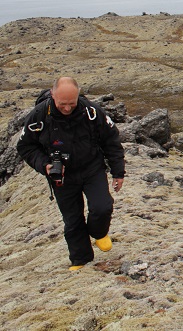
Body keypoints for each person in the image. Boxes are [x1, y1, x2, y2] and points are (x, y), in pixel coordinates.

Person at [16, 77, 125, 271]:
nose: (67, 108)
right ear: (52, 95)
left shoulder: (92, 112)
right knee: (73, 220)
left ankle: (98, 233)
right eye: (62, 104)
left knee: (102, 206)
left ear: (78, 96)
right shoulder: (39, 116)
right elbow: (25, 147)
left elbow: (111, 141)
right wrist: (46, 166)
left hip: (92, 168)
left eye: (71, 104)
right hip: (62, 175)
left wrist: (118, 171)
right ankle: (80, 261)